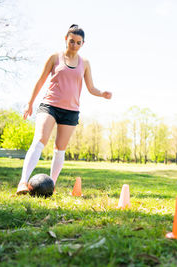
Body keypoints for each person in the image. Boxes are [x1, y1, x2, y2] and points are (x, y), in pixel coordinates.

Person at [16, 24, 112, 194]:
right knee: (39, 140)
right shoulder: (55, 58)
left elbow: (91, 88)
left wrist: (102, 93)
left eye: (78, 42)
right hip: (50, 105)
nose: (74, 45)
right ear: (65, 39)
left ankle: (50, 185)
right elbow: (40, 81)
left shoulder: (85, 63)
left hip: (71, 111)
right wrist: (30, 103)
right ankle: (23, 182)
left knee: (60, 149)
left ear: (83, 44)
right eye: (71, 41)